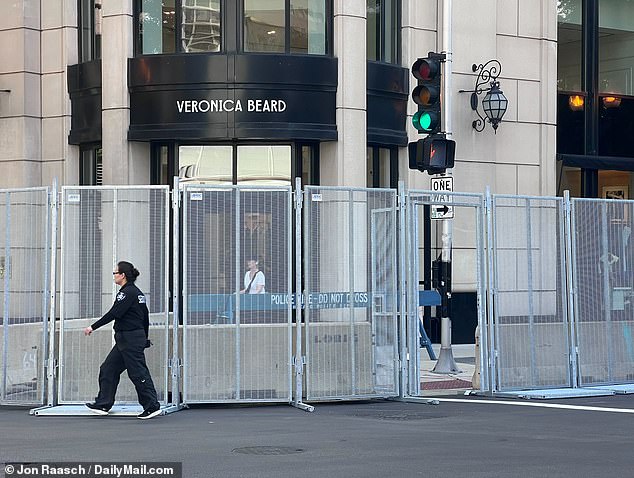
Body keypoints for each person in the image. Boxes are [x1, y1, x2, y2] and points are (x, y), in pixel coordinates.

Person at [83, 261, 161, 420]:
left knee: (138, 372)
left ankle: (151, 406)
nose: (114, 276)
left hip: (130, 338)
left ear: (122, 275)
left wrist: (93, 327)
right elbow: (145, 318)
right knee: (108, 369)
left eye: (115, 273)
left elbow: (114, 313)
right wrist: (144, 337)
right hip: (129, 339)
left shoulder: (126, 293)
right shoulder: (137, 293)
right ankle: (103, 403)